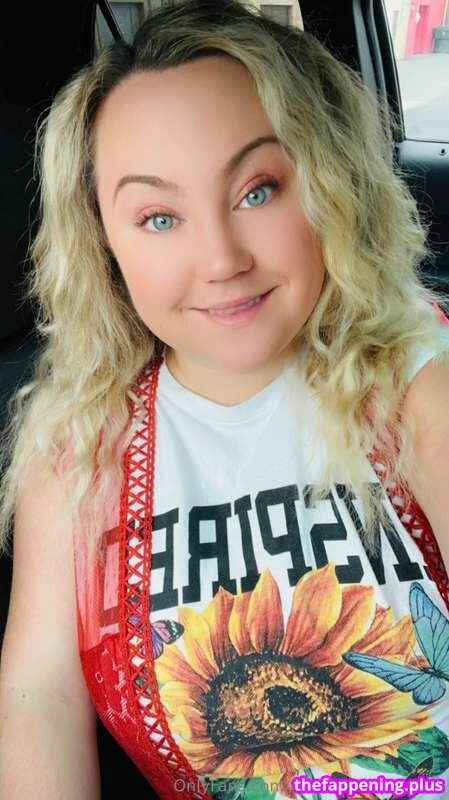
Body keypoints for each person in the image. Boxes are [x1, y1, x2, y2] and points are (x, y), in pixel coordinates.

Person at [1, 0, 449, 798]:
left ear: (331, 182)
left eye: (257, 191)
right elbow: (39, 699)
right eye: (158, 217)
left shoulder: (417, 386)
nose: (219, 259)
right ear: (103, 242)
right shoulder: (77, 449)